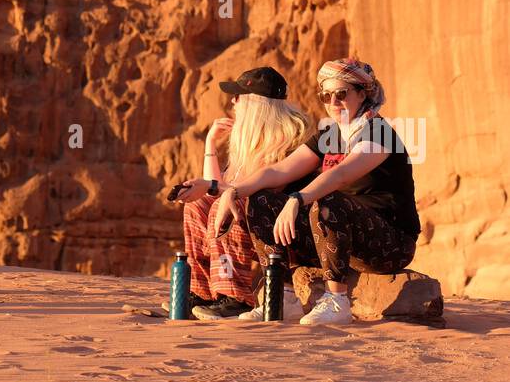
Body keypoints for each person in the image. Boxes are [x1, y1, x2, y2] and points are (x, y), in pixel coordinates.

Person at [211, 56, 420, 326]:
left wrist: (298, 199)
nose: (333, 102)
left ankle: (337, 301)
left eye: (341, 94)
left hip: (388, 244)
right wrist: (234, 192)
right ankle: (283, 296)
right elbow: (280, 170)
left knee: (328, 198)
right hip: (337, 238)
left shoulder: (380, 132)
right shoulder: (330, 134)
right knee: (262, 199)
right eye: (326, 95)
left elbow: (341, 175)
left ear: (362, 93)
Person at [171, 67, 310, 319]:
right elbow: (215, 188)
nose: (233, 102)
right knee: (198, 205)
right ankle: (203, 294)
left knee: (231, 203)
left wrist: (213, 187)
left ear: (256, 104)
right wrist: (210, 145)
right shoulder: (250, 141)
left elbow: (260, 191)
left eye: (239, 96)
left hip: (286, 230)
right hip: (258, 221)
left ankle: (236, 298)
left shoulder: (291, 138)